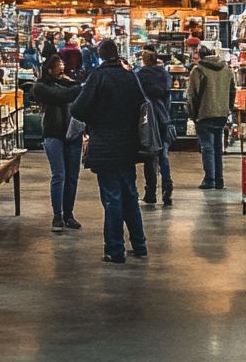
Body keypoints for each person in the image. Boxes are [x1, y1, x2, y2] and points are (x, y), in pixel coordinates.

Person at [69, 39, 148, 263]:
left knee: (112, 197)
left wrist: (97, 114)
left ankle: (115, 249)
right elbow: (142, 105)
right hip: (128, 145)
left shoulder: (98, 77)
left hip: (104, 144)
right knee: (130, 195)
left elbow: (78, 108)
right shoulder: (130, 76)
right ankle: (140, 244)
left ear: (100, 54)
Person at [29, 55, 84, 233]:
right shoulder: (41, 87)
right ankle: (57, 216)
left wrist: (72, 84)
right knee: (59, 175)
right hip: (53, 134)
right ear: (49, 69)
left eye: (63, 66)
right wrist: (76, 86)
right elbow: (62, 95)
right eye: (58, 67)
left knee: (72, 177)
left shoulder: (68, 83)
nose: (62, 69)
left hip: (72, 134)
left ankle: (69, 215)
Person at [187, 44, 235, 189]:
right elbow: (233, 91)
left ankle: (210, 179)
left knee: (207, 146)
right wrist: (228, 109)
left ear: (200, 57)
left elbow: (192, 95)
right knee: (217, 147)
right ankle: (219, 180)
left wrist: (192, 113)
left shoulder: (198, 70)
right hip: (221, 113)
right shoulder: (226, 69)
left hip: (204, 112)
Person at [136, 48, 173, 206]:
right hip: (163, 116)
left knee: (150, 155)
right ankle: (167, 186)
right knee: (163, 155)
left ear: (143, 61)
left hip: (147, 119)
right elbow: (168, 97)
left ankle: (150, 192)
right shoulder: (164, 75)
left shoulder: (139, 76)